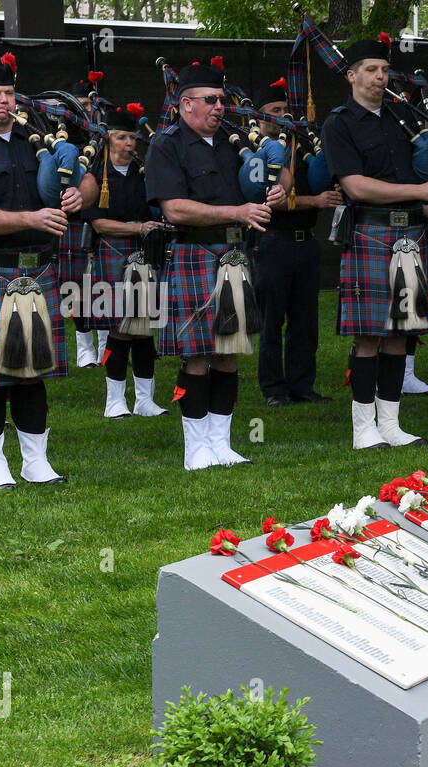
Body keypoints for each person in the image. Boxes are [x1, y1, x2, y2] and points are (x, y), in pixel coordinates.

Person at [0, 54, 89, 487]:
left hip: (35, 270)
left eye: (8, 93)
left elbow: (87, 182)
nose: (3, 101)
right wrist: (31, 219)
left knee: (32, 370)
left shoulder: (37, 142)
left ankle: (35, 461)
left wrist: (80, 193)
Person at [321, 33, 428, 449]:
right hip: (369, 230)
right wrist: (422, 193)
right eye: (371, 70)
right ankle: (362, 427)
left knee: (401, 331)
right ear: (351, 75)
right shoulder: (339, 123)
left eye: (385, 70)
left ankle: (390, 423)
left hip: (410, 231)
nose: (379, 77)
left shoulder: (402, 121)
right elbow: (356, 186)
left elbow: (418, 176)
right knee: (369, 334)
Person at [147, 58, 285, 469]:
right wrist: (238, 213)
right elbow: (174, 210)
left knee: (228, 351)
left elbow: (269, 180)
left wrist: (272, 193)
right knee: (198, 354)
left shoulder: (235, 142)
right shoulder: (166, 145)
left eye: (222, 99)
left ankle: (220, 442)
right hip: (194, 253)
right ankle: (195, 448)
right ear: (185, 104)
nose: (220, 107)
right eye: (211, 100)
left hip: (233, 254)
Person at [254, 76, 339, 407]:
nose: (282, 116)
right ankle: (274, 389)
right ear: (260, 117)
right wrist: (316, 202)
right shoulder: (255, 151)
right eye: (274, 110)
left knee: (305, 320)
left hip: (306, 243)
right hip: (273, 243)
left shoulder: (302, 147)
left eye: (285, 109)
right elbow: (269, 201)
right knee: (272, 320)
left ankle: (302, 386)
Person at [82, 102, 169, 419]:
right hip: (113, 253)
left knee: (145, 330)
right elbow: (98, 224)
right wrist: (137, 227)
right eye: (121, 137)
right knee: (119, 329)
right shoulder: (94, 177)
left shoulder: (144, 173)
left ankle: (145, 400)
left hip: (144, 256)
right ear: (108, 140)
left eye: (132, 138)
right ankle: (114, 401)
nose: (129, 143)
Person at [68, 71, 107, 368]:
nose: (86, 109)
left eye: (91, 104)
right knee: (78, 285)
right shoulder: (64, 137)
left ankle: (107, 344)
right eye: (81, 103)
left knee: (106, 284)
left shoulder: (105, 134)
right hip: (74, 219)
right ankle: (84, 347)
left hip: (104, 216)